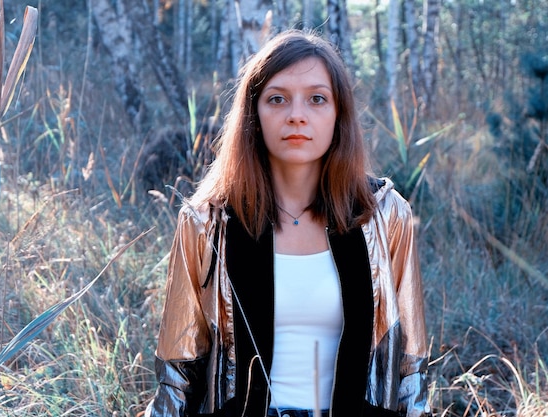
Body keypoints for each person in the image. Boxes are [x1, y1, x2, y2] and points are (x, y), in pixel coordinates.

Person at [145, 29, 431, 417]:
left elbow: (409, 365)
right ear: (254, 114)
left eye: (317, 99)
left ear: (338, 114)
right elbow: (177, 371)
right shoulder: (207, 222)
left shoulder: (384, 214)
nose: (297, 114)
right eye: (277, 98)